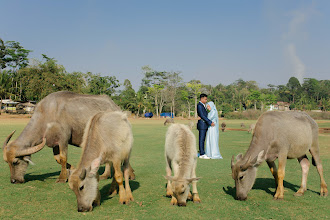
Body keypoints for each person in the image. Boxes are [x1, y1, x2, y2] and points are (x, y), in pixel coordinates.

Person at [197, 94, 215, 159]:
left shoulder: (204, 105)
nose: (206, 100)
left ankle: (202, 152)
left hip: (205, 124)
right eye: (205, 99)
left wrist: (208, 110)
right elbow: (202, 115)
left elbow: (206, 114)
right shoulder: (199, 105)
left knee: (203, 139)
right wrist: (210, 122)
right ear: (201, 99)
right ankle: (202, 154)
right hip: (202, 124)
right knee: (201, 139)